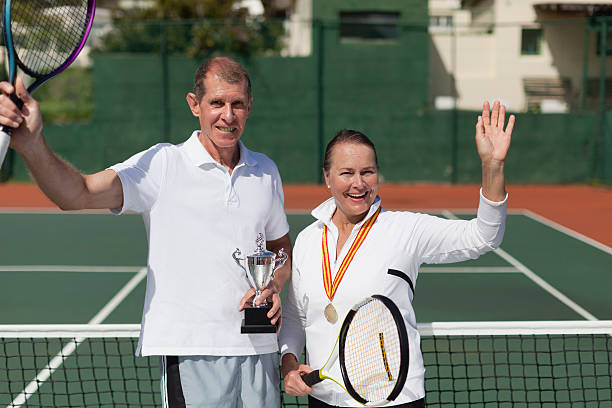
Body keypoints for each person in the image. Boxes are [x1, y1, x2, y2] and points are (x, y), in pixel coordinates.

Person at [0, 56, 292, 407]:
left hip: (260, 351)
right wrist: (33, 144)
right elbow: (76, 192)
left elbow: (280, 250)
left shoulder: (265, 171)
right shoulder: (163, 165)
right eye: (217, 103)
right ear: (194, 104)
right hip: (192, 352)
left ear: (249, 107)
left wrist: (274, 284)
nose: (227, 116)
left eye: (237, 104)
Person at [279, 101, 514, 407]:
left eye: (368, 172)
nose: (358, 184)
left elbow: (484, 237)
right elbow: (296, 317)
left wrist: (492, 166)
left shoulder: (405, 229)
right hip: (324, 399)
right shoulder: (308, 240)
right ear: (327, 176)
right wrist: (288, 364)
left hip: (392, 400)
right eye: (346, 173)